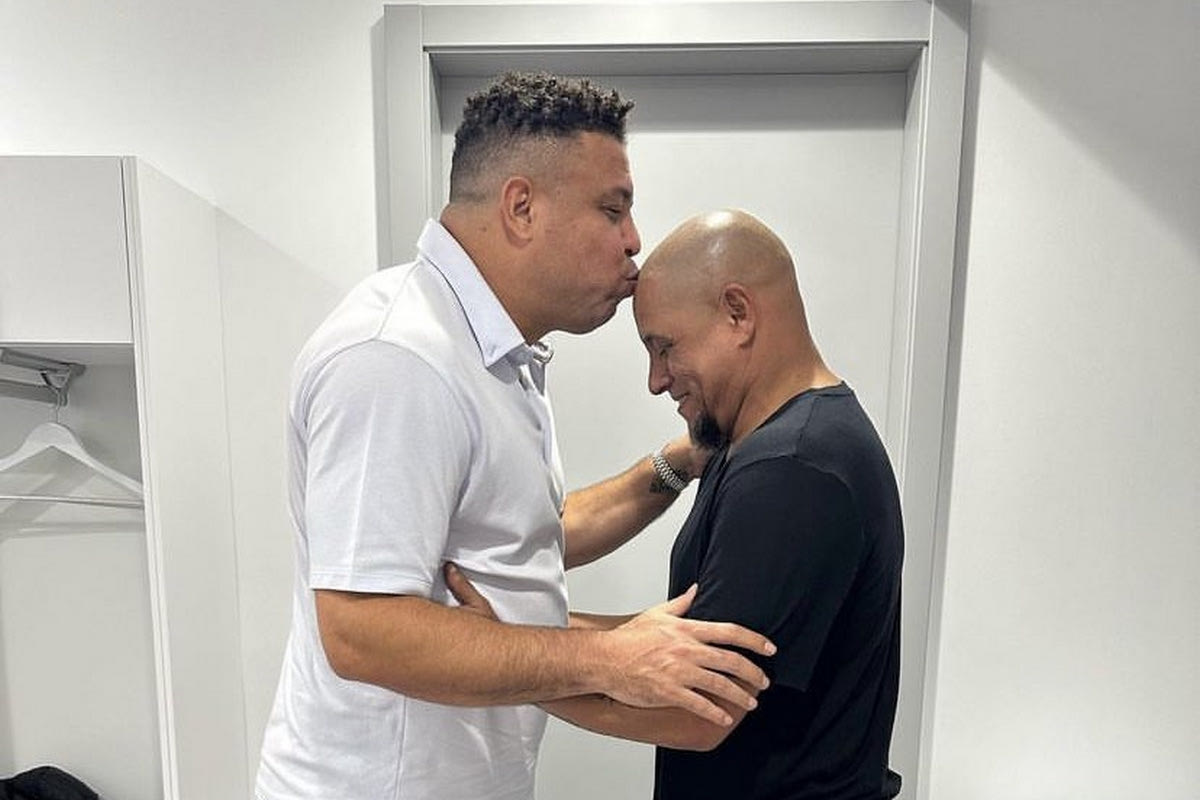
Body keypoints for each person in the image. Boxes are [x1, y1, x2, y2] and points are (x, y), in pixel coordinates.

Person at [255, 74, 775, 800]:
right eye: (613, 209)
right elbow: (359, 631)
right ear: (522, 207)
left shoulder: (496, 357)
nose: (633, 240)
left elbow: (521, 537)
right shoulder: (399, 358)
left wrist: (679, 464)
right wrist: (608, 660)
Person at [450, 208, 905, 799]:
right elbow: (674, 647)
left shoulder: (791, 468)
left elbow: (693, 708)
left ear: (738, 313)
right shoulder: (776, 442)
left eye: (664, 348)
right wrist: (528, 634)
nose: (656, 379)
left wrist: (502, 656)